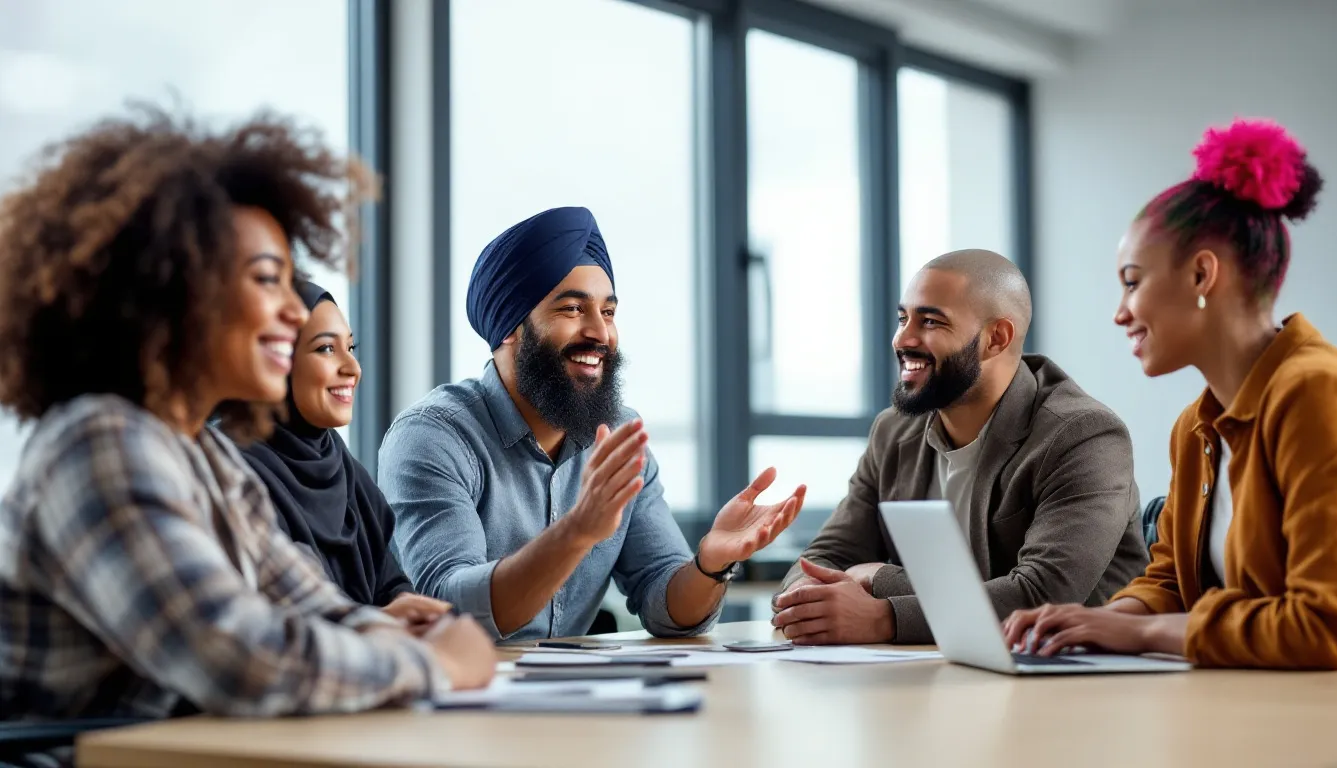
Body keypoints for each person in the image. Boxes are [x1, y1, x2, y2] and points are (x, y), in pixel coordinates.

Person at [0, 107, 495, 757]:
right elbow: (236, 654)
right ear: (174, 291)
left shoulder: (203, 455)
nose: (295, 310)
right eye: (268, 280)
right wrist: (436, 665)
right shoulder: (99, 443)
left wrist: (386, 627)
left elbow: (309, 604)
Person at [1003, 119, 1337, 670]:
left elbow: (1325, 626)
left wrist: (1141, 635)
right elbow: (1171, 582)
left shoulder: (1316, 393)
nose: (1120, 312)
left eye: (1133, 281)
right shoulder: (1196, 428)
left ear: (1202, 275)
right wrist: (1099, 622)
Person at [379, 206, 806, 641]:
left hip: (573, 699)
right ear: (509, 327)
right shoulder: (432, 437)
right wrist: (576, 531)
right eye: (572, 309)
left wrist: (710, 564)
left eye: (608, 311)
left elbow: (665, 604)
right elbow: (450, 609)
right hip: (453, 693)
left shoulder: (619, 435)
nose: (600, 333)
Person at [772, 249, 1149, 645]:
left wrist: (882, 602)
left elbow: (1040, 594)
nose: (903, 338)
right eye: (903, 319)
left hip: (1078, 681)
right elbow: (822, 559)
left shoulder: (1083, 435)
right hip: (939, 674)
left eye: (931, 321)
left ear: (995, 338)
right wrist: (807, 601)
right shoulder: (894, 431)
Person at [234, 280, 450, 632]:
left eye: (351, 347)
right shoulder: (233, 471)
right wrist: (380, 626)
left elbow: (388, 583)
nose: (353, 367)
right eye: (325, 349)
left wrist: (413, 613)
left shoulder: (343, 468)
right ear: (274, 360)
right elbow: (270, 625)